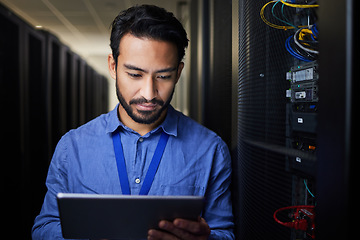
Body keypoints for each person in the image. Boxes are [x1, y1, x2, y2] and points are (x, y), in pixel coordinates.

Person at [32, 5, 234, 240]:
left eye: (163, 76)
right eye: (135, 75)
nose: (149, 93)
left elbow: (224, 233)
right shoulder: (71, 147)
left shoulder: (210, 150)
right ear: (113, 66)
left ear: (178, 73)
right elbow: (44, 228)